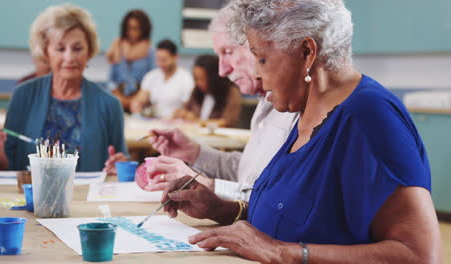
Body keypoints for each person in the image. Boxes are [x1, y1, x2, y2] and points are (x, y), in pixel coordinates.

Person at [160, 0, 442, 263]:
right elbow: (299, 217)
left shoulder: (369, 116)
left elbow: (419, 254)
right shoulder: (304, 112)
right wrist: (221, 210)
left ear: (307, 52)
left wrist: (282, 252)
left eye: (262, 59)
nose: (259, 75)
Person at [140, 4, 298, 202]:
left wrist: (205, 184)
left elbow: (277, 202)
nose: (222, 70)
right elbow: (247, 174)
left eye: (227, 52)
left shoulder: (296, 107)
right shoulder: (265, 103)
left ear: (256, 46)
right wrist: (194, 152)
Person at [0, 4, 127, 172]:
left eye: (78, 48)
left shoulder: (109, 104)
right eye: (60, 48)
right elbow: (3, 170)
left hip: (87, 197)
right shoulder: (23, 95)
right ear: (46, 52)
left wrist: (119, 165)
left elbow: (121, 162)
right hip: (31, 197)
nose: (69, 57)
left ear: (89, 51)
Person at [129, 39, 194, 118]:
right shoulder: (151, 76)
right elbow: (142, 97)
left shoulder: (186, 79)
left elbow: (188, 108)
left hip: (175, 123)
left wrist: (182, 113)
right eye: (157, 60)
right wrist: (136, 104)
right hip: (152, 121)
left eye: (163, 60)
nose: (160, 64)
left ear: (175, 57)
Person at [173, 54, 241, 128]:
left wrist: (198, 121)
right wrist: (183, 114)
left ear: (213, 78)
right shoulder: (197, 91)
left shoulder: (231, 92)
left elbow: (227, 122)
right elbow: (186, 109)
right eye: (196, 78)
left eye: (202, 79)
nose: (198, 83)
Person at [107, 9, 155, 112]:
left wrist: (136, 99)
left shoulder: (150, 51)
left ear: (144, 30)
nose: (132, 32)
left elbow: (153, 79)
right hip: (118, 99)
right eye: (129, 28)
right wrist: (118, 96)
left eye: (136, 29)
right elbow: (111, 79)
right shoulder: (117, 47)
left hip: (141, 101)